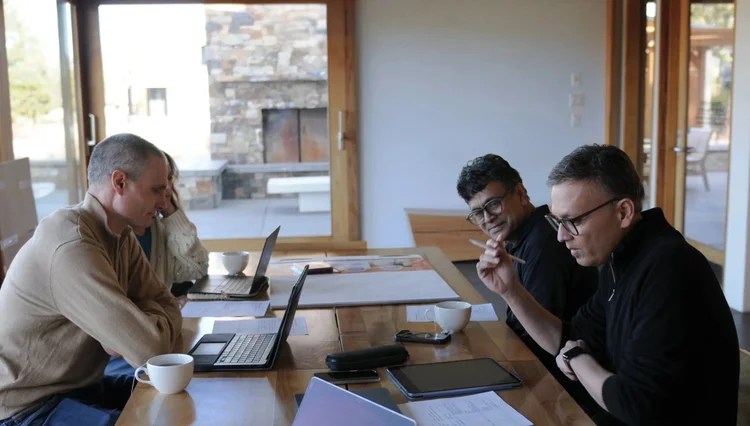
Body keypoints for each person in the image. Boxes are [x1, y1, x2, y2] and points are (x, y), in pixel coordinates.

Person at [476, 144, 739, 425]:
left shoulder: (668, 268)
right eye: (557, 221)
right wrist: (511, 291)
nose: (561, 236)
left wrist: (576, 357)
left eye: (572, 221)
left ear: (623, 212)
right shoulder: (621, 257)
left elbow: (634, 405)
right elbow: (566, 338)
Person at [0, 133, 183, 425]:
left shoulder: (120, 233)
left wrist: (137, 326)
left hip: (79, 388)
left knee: (180, 398)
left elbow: (166, 303)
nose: (164, 202)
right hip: (27, 407)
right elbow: (150, 351)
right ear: (119, 183)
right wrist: (138, 328)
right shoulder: (72, 246)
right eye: (156, 190)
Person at [457, 154, 597, 341]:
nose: (488, 218)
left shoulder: (544, 244)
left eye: (493, 204)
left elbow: (540, 339)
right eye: (477, 213)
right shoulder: (521, 237)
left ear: (521, 194)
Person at [133, 151, 208, 294]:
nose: (167, 187)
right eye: (158, 182)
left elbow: (198, 269)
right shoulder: (121, 228)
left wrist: (171, 212)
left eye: (168, 178)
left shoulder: (157, 226)